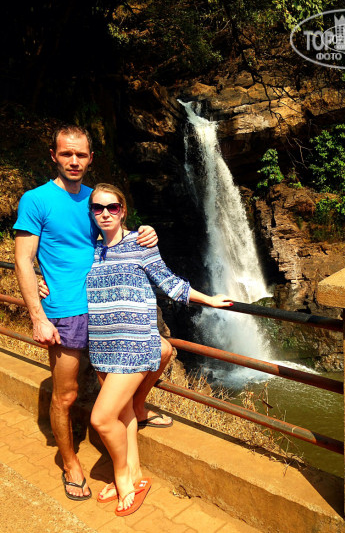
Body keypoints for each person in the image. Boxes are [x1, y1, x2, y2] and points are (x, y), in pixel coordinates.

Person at [13, 124, 159, 501]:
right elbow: (23, 259)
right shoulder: (36, 200)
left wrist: (147, 232)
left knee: (155, 356)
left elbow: (118, 237)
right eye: (66, 153)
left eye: (81, 154)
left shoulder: (97, 200)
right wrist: (38, 317)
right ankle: (70, 463)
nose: (74, 160)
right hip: (66, 312)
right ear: (54, 156)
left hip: (106, 309)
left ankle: (133, 426)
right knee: (65, 395)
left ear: (91, 158)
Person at [86, 183, 233, 516]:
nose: (105, 213)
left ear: (123, 210)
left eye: (112, 207)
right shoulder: (90, 250)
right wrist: (44, 284)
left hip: (135, 345)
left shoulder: (141, 243)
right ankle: (136, 475)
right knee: (122, 414)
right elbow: (69, 279)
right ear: (91, 213)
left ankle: (121, 478)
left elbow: (169, 283)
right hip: (102, 345)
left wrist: (208, 299)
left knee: (102, 418)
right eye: (98, 208)